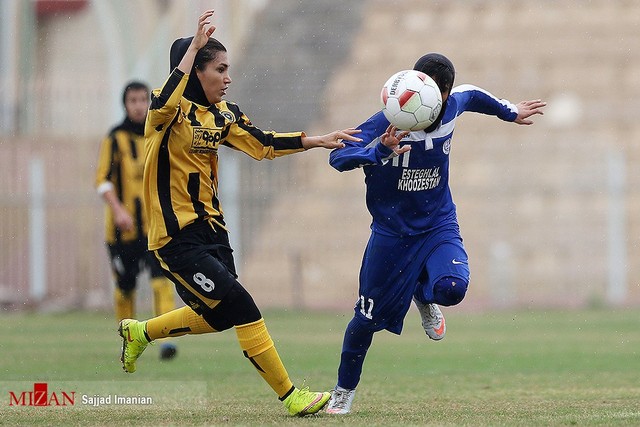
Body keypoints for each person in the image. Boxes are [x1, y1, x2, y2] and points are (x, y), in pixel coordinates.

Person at [117, 10, 361, 416]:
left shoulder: (224, 114)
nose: (228, 77)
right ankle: (291, 397)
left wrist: (315, 141)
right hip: (176, 237)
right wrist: (193, 46)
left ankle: (140, 331)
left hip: (214, 231)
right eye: (220, 69)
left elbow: (261, 143)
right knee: (244, 306)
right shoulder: (166, 114)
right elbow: (161, 103)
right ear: (197, 71)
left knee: (218, 316)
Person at [325, 53, 546, 414]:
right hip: (392, 234)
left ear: (442, 94)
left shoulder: (452, 105)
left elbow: (472, 94)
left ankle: (422, 295)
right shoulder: (388, 121)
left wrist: (509, 111)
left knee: (452, 289)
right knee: (365, 321)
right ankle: (342, 391)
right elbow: (337, 158)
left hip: (437, 224)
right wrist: (378, 151)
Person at [95, 81, 178, 361]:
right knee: (125, 288)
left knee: (160, 282)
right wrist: (118, 210)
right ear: (125, 104)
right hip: (123, 231)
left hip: (155, 227)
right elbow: (102, 181)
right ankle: (127, 339)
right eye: (133, 100)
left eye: (143, 99)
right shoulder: (115, 138)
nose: (139, 105)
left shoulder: (157, 133)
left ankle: (166, 341)